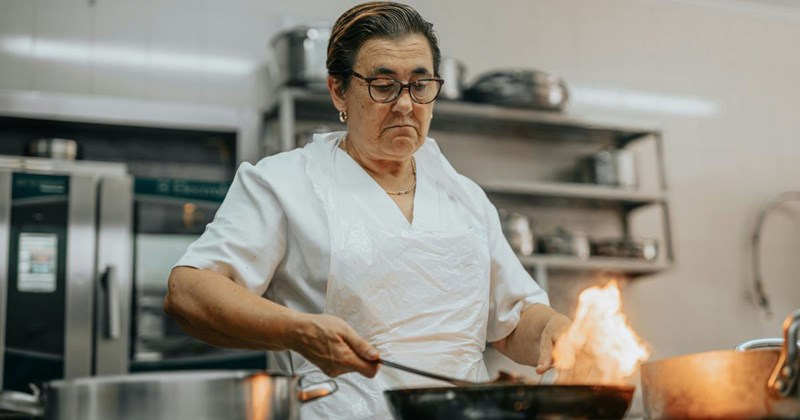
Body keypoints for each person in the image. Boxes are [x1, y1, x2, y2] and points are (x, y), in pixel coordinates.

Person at [164, 2, 571, 419]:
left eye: (420, 84)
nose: (405, 104)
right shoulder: (284, 183)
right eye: (383, 85)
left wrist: (554, 332)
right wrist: (297, 330)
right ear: (338, 90)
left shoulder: (465, 198)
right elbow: (189, 292)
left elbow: (514, 321)